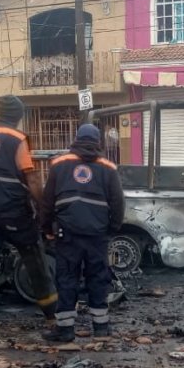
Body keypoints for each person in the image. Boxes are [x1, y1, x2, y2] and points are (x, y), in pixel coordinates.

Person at [0, 95, 57, 336]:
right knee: (35, 259)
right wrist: (42, 206)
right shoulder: (17, 139)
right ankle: (52, 317)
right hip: (14, 211)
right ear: (16, 116)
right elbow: (32, 177)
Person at [41, 124, 125, 343]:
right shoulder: (108, 167)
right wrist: (112, 228)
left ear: (76, 139)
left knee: (67, 277)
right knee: (98, 277)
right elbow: (118, 202)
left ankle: (66, 330)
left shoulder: (59, 164)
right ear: (98, 142)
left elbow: (47, 200)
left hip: (67, 233)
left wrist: (46, 228)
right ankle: (101, 328)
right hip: (97, 234)